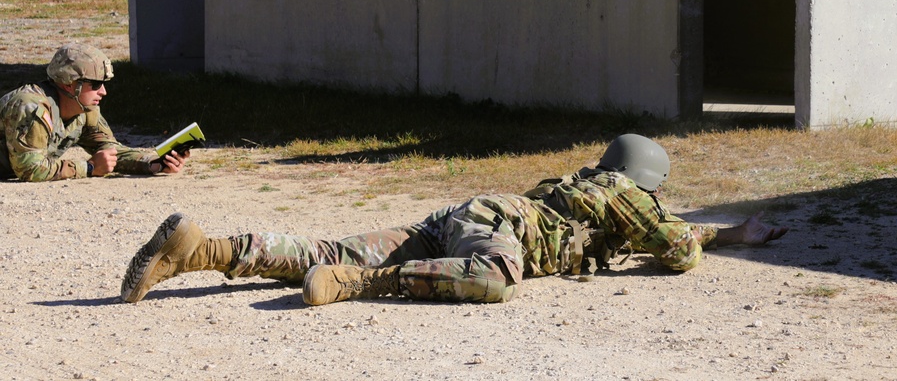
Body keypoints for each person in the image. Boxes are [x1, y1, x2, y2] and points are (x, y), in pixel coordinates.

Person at [120, 134, 787, 305]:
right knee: (497, 275)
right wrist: (715, 237)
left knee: (330, 244)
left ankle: (203, 248)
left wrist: (724, 231)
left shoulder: (580, 183)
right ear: (648, 182)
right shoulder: (626, 193)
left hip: (465, 214)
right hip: (495, 231)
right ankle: (358, 283)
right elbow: (674, 249)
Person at [0, 43, 189, 182]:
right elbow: (29, 169)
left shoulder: (84, 109)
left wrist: (153, 163)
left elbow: (110, 150)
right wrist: (89, 167)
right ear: (68, 83)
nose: (103, 92)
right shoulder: (31, 106)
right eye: (95, 85)